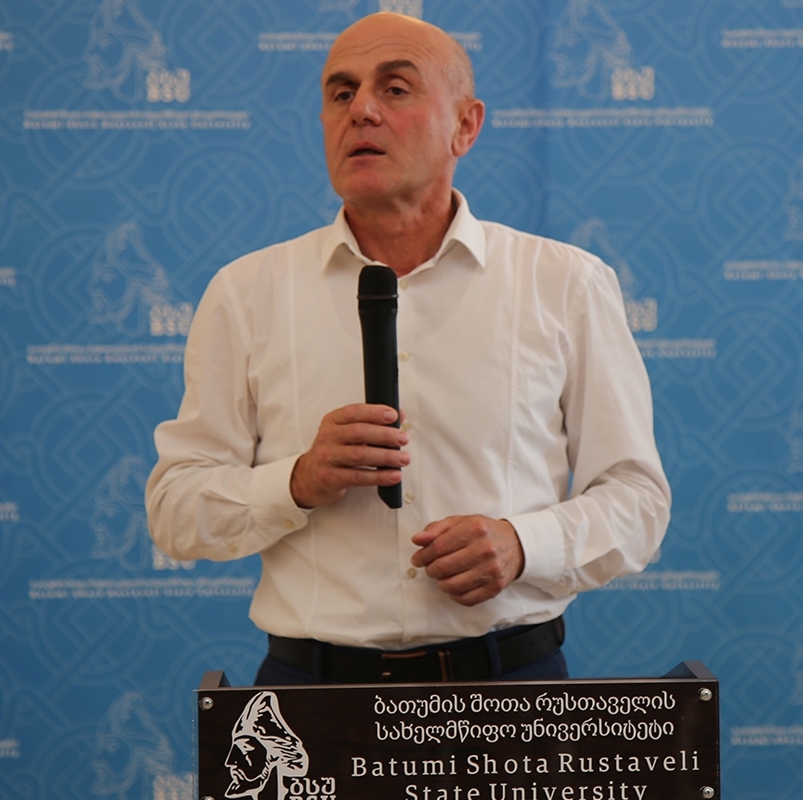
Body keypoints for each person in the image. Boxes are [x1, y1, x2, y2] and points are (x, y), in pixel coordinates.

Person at [145, 12, 670, 685]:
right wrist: (296, 481)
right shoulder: (247, 292)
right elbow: (176, 509)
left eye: (395, 89)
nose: (361, 110)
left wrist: (523, 544)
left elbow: (637, 500)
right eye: (341, 93)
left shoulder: (566, 283)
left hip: (507, 687)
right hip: (312, 696)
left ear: (465, 126)